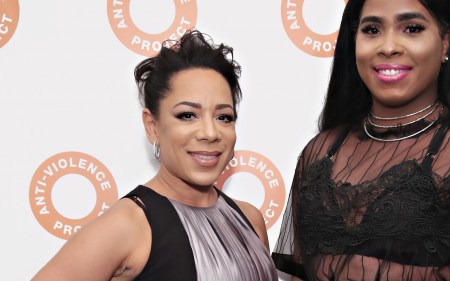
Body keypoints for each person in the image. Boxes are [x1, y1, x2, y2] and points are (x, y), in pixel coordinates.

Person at [272, 0, 450, 280]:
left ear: (445, 44)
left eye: (412, 28)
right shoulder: (319, 153)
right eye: (372, 30)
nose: (388, 46)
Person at [32, 30, 278, 281]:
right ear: (152, 126)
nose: (210, 133)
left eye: (223, 117)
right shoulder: (129, 225)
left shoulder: (250, 219)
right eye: (187, 115)